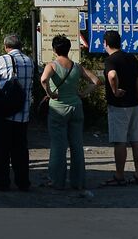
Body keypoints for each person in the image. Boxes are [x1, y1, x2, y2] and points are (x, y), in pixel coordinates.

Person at [39, 36, 99, 198]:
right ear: (69, 49)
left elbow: (44, 79)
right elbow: (95, 80)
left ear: (54, 49)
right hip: (76, 108)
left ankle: (56, 181)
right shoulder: (76, 67)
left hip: (58, 109)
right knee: (77, 145)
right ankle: (78, 181)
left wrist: (50, 93)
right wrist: (82, 94)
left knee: (58, 146)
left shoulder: (52, 65)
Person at [0, 33, 35, 191]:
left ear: (6, 46)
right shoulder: (29, 61)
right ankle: (23, 182)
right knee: (21, 149)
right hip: (23, 113)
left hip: (5, 113)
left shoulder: (2, 59)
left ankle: (2, 181)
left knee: (2, 148)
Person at [102, 29, 138, 186]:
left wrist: (115, 91)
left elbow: (112, 75)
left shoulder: (110, 60)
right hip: (134, 103)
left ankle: (119, 175)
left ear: (105, 43)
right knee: (136, 139)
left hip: (119, 105)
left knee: (119, 141)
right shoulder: (131, 58)